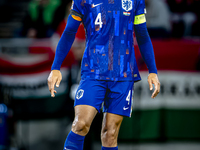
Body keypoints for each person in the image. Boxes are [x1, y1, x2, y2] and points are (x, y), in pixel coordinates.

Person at [47, 0, 160, 149]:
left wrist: (153, 71)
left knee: (110, 134)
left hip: (123, 74)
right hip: (93, 72)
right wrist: (55, 67)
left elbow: (142, 34)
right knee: (81, 124)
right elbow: (69, 32)